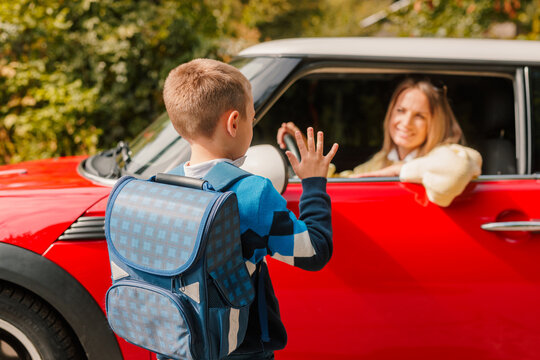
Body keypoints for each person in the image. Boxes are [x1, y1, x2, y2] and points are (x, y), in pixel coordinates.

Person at [162, 58, 339, 360]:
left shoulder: (164, 185)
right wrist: (313, 184)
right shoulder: (252, 193)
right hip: (237, 349)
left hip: (177, 343)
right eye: (252, 119)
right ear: (234, 123)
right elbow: (314, 251)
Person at [277, 77, 482, 207]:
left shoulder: (445, 153)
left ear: (434, 124)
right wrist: (308, 153)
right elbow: (347, 182)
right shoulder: (382, 159)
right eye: (400, 111)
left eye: (419, 116)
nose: (406, 123)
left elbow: (457, 170)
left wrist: (399, 170)